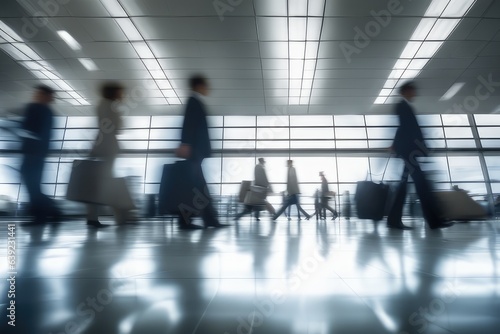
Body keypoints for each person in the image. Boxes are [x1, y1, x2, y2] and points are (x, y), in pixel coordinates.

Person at [387, 81, 454, 230]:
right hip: (409, 152)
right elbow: (405, 128)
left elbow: (403, 128)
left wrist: (395, 145)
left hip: (408, 151)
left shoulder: (404, 106)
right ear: (406, 91)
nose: (415, 94)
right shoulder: (402, 106)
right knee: (421, 185)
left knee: (407, 186)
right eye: (413, 91)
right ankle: (434, 221)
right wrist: (408, 146)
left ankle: (394, 220)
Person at [175, 75, 228, 230]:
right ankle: (205, 220)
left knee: (196, 187)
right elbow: (188, 125)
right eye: (206, 86)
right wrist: (185, 143)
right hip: (194, 151)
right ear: (199, 86)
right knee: (197, 187)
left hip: (196, 151)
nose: (207, 89)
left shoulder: (195, 101)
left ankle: (202, 220)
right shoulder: (193, 101)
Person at [86, 82, 129, 228]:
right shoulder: (110, 106)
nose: (122, 95)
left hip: (102, 147)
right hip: (107, 148)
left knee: (100, 183)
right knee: (103, 183)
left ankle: (95, 217)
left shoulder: (102, 105)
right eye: (120, 92)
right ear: (114, 93)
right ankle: (118, 217)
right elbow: (117, 128)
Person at [20, 85, 61, 225]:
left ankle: (44, 214)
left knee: (32, 185)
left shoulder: (36, 109)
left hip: (32, 153)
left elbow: (27, 127)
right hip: (38, 153)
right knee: (33, 185)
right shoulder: (47, 112)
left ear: (44, 96)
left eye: (39, 94)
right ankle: (51, 211)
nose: (35, 96)